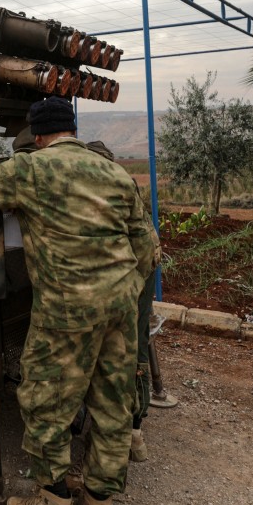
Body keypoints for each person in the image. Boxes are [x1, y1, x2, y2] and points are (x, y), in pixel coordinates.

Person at [0, 97, 155, 505]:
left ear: (38, 137)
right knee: (111, 402)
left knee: (46, 399)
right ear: (73, 129)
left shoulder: (32, 168)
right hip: (121, 304)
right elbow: (145, 245)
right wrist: (121, 288)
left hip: (67, 306)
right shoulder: (115, 172)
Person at [84, 140, 162, 465]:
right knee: (137, 351)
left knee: (119, 356)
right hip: (141, 274)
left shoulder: (97, 189)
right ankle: (135, 434)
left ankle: (119, 439)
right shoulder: (123, 182)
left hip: (127, 278)